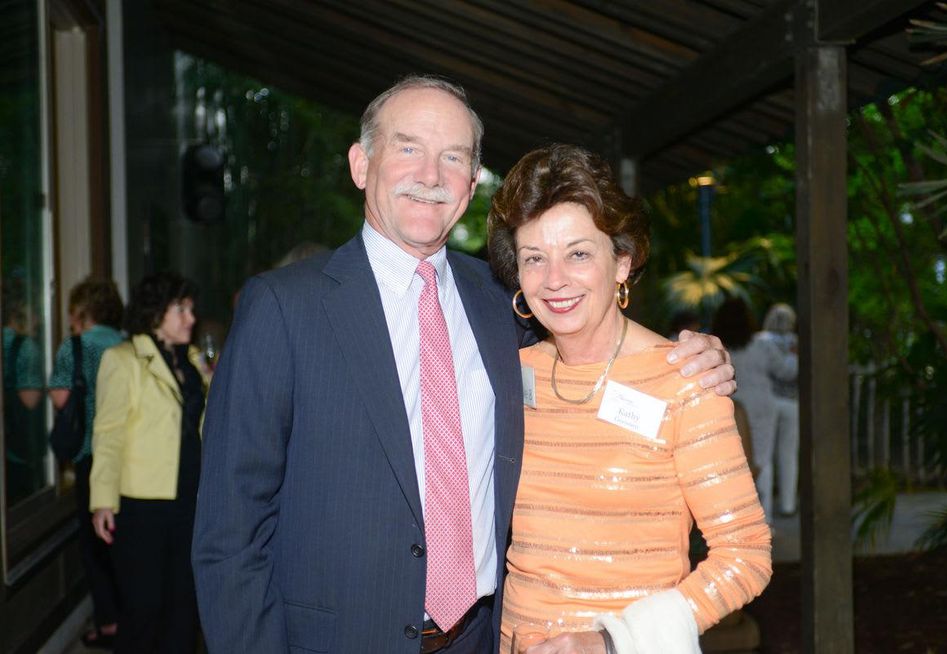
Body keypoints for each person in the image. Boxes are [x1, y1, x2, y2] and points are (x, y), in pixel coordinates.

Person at [192, 75, 735, 654]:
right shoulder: (283, 307)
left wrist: (695, 356)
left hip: (483, 637)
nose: (430, 175)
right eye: (408, 148)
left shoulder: (505, 301)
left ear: (472, 183)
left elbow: (597, 340)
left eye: (452, 157)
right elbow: (230, 535)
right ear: (360, 165)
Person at [486, 144, 770, 654]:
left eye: (578, 253)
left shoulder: (685, 380)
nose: (554, 280)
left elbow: (746, 555)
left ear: (621, 261)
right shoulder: (510, 374)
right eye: (535, 258)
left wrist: (612, 642)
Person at [90, 272, 207, 654]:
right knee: (143, 611)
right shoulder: (123, 359)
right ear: (156, 312)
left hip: (190, 501)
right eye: (181, 309)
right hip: (143, 505)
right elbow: (107, 434)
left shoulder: (193, 363)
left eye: (190, 308)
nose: (191, 317)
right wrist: (103, 501)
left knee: (184, 610)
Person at [48, 277, 124, 650]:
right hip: (127, 456)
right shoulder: (127, 344)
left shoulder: (75, 347)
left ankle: (109, 622)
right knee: (124, 539)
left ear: (81, 311)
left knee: (95, 544)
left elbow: (61, 399)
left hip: (90, 453)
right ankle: (131, 615)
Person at [712, 297, 797, 523]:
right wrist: (795, 354)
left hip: (730, 404)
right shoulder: (761, 345)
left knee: (732, 462)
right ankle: (765, 520)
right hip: (761, 406)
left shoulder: (716, 346)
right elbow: (786, 371)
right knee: (762, 461)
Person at [2, 279, 46, 504]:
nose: (39, 320)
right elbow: (30, 400)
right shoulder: (26, 347)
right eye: (36, 311)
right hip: (18, 454)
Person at [760, 303, 799, 516]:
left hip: (769, 401)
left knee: (765, 454)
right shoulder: (795, 342)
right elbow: (792, 372)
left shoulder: (762, 341)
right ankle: (788, 504)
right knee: (788, 454)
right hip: (791, 402)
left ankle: (766, 509)